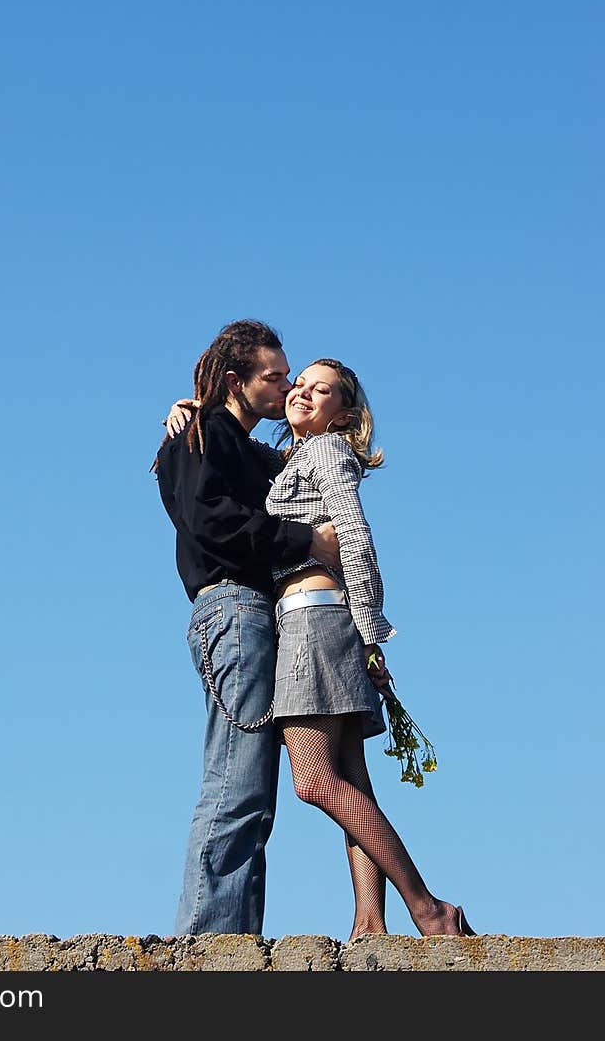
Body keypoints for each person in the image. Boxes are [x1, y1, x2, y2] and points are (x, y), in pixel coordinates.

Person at [263, 357, 474, 939]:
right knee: (352, 783)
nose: (302, 394)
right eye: (299, 384)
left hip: (313, 623)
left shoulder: (327, 452)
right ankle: (370, 924)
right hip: (318, 621)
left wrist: (370, 630)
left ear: (346, 413)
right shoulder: (297, 458)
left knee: (312, 782)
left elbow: (355, 538)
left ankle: (428, 906)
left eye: (321, 390)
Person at [153, 319, 340, 936]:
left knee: (252, 789)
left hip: (251, 615)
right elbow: (213, 523)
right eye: (274, 376)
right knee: (237, 780)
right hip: (234, 610)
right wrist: (307, 540)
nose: (286, 386)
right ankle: (211, 946)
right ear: (237, 381)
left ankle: (230, 939)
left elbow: (307, 460)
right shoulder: (204, 434)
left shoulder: (242, 446)